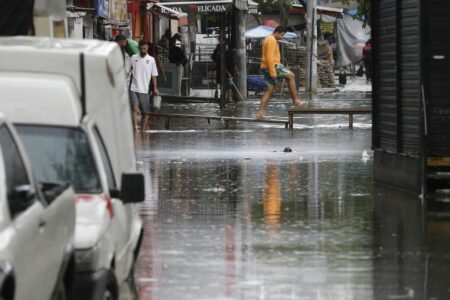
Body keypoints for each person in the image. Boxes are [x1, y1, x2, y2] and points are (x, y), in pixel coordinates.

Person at [256, 26, 306, 120]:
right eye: (282, 35)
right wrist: (273, 73)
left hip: (269, 66)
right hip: (272, 66)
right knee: (291, 76)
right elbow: (270, 58)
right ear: (278, 32)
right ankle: (295, 100)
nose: (282, 37)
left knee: (269, 90)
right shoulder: (271, 40)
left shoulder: (270, 39)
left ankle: (260, 112)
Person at [129, 40, 159, 133]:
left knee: (145, 112)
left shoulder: (151, 60)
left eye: (144, 48)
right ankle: (135, 129)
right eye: (141, 48)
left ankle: (143, 131)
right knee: (134, 108)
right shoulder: (133, 58)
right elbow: (128, 71)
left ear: (147, 48)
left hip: (145, 89)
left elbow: (154, 75)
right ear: (138, 48)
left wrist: (155, 88)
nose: (143, 50)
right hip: (133, 88)